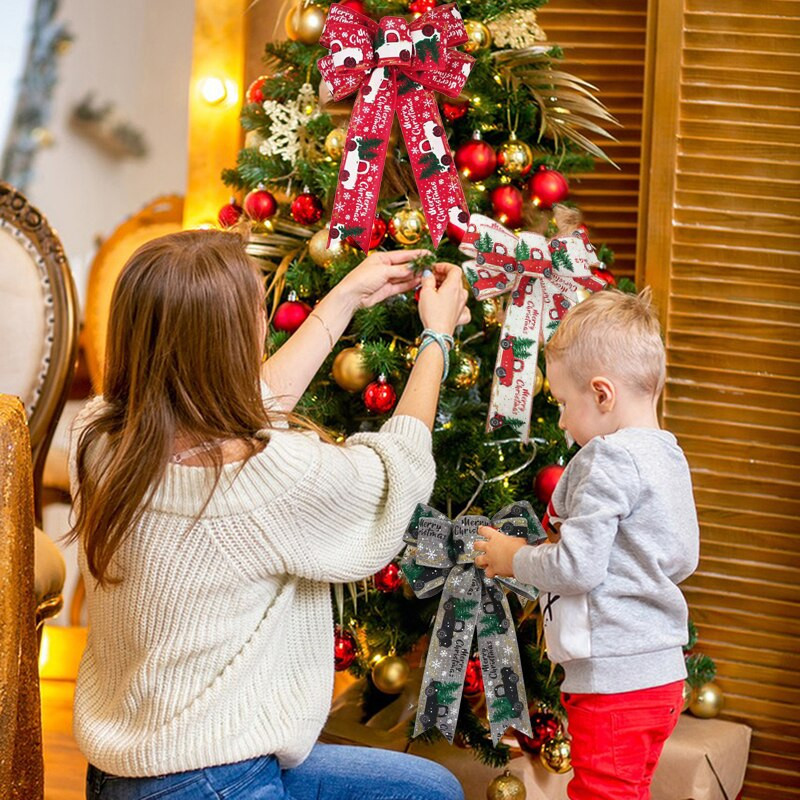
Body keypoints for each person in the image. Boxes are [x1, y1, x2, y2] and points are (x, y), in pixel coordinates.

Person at [67, 229, 470, 800]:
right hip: (214, 780)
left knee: (427, 789)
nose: (265, 320)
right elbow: (395, 474)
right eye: (258, 310)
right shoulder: (267, 476)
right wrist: (437, 339)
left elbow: (240, 405)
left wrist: (346, 297)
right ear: (230, 342)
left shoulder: (99, 435)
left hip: (123, 774)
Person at [474, 289, 699, 800]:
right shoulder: (667, 454)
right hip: (661, 676)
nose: (560, 420)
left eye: (561, 403)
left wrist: (514, 557)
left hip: (614, 679)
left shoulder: (608, 457)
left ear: (601, 394)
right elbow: (684, 558)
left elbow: (577, 568)